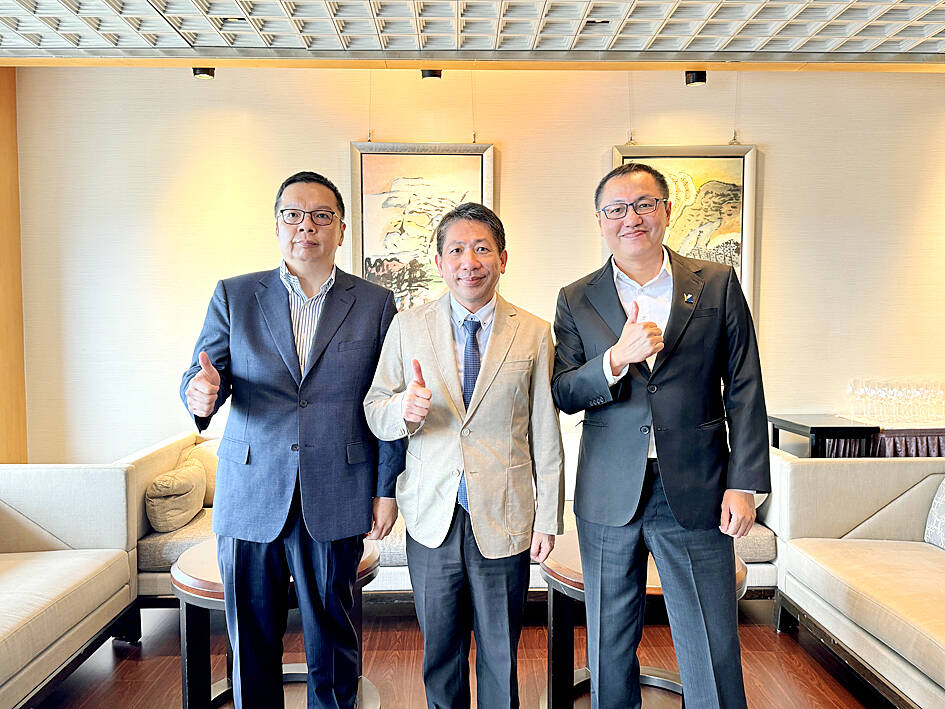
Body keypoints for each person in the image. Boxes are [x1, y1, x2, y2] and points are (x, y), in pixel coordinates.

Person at [181, 171, 404, 709]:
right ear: (277, 225)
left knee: (333, 637)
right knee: (251, 640)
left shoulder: (375, 303)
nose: (307, 226)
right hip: (251, 490)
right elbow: (204, 374)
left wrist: (386, 488)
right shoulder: (235, 294)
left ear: (342, 229)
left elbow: (388, 400)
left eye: (322, 216)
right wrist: (201, 394)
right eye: (294, 215)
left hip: (338, 489)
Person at [551, 163, 769, 709]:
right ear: (600, 220)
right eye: (616, 209)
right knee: (608, 642)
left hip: (697, 487)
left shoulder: (716, 282)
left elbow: (744, 385)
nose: (631, 218)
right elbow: (564, 390)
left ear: (667, 211)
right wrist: (614, 360)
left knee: (710, 641)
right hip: (608, 490)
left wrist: (744, 483)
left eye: (644, 204)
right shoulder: (576, 297)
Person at [363, 202, 564, 709]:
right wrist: (402, 410)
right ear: (439, 262)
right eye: (456, 250)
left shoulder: (534, 331)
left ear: (502, 258)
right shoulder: (408, 326)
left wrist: (547, 518)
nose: (468, 262)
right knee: (440, 650)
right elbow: (374, 408)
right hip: (431, 513)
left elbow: (546, 431)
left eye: (481, 249)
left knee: (501, 649)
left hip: (505, 512)